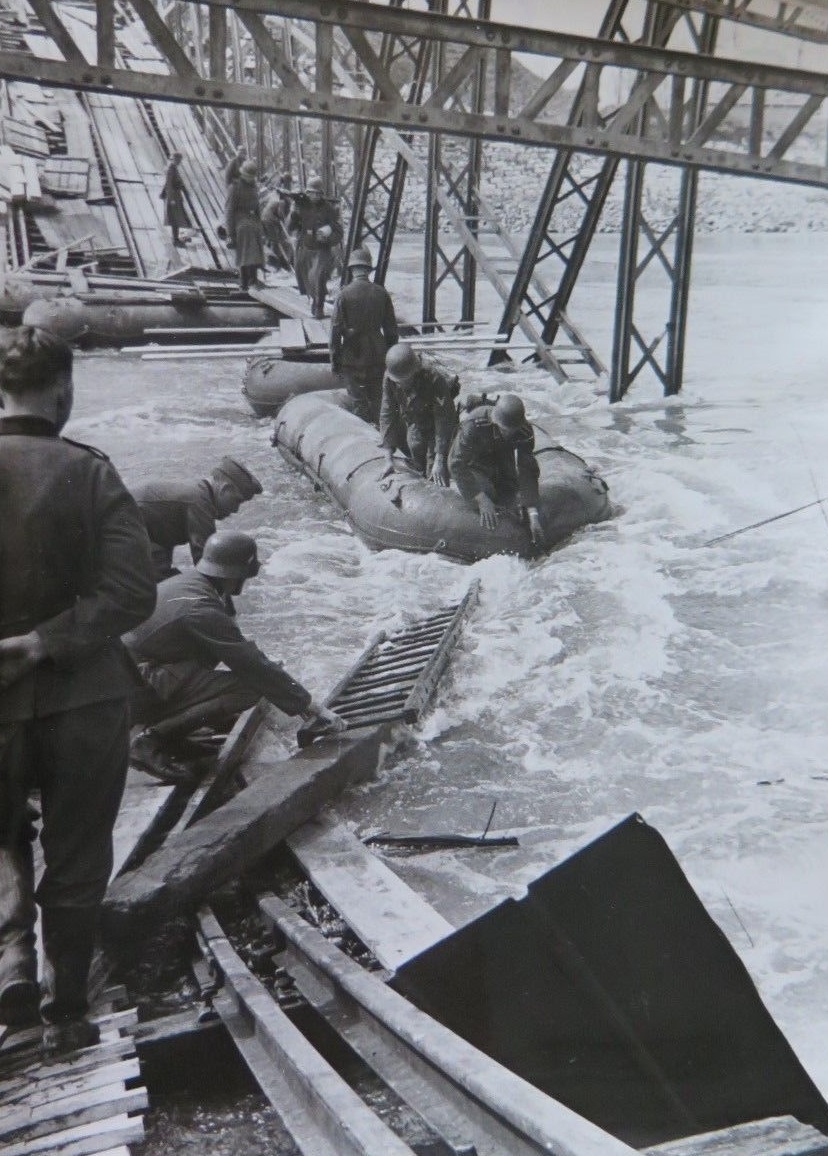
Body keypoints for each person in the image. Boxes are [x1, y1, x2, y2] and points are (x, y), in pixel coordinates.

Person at [0, 326, 157, 1055]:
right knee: (79, 850)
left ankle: (11, 966)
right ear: (63, 391)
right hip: (83, 699)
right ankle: (66, 1008)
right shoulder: (91, 473)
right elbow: (132, 593)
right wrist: (45, 641)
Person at [125, 531, 344, 783]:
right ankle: (151, 740)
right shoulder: (201, 608)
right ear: (236, 574)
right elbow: (249, 664)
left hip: (130, 679)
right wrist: (309, 705)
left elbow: (235, 650)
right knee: (249, 687)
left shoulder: (189, 583)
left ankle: (173, 738)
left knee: (217, 659)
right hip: (136, 689)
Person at [132, 456, 263, 582]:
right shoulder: (200, 504)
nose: (236, 510)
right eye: (237, 501)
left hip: (142, 530)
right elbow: (209, 563)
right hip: (130, 527)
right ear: (225, 489)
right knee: (164, 585)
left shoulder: (200, 494)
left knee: (169, 581)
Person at [448, 393, 545, 546]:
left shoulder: (524, 431)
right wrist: (480, 498)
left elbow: (528, 470)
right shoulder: (475, 424)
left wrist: (533, 513)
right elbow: (456, 463)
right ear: (495, 422)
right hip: (475, 462)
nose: (508, 433)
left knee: (512, 496)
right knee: (488, 493)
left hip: (502, 460)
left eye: (512, 430)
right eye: (504, 429)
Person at [329, 245, 399, 425]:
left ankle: (361, 433)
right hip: (378, 355)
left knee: (357, 401)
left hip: (352, 355)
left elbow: (335, 331)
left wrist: (335, 361)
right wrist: (390, 356)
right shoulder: (381, 293)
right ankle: (380, 433)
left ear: (352, 270)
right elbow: (391, 330)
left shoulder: (343, 295)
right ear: (368, 270)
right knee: (378, 400)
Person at [379, 342, 459, 486]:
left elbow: (444, 419)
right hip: (415, 421)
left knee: (435, 472)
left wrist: (439, 459)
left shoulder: (433, 377)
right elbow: (387, 413)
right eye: (399, 381)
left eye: (405, 380)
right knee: (416, 456)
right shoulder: (391, 377)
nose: (401, 385)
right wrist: (388, 459)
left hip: (437, 425)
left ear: (414, 371)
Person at [287, 175, 344, 319]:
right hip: (305, 247)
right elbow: (290, 228)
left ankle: (319, 306)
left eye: (318, 193)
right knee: (305, 278)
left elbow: (338, 231)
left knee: (318, 277)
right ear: (307, 192)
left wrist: (328, 238)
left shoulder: (329, 208)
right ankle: (313, 300)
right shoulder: (301, 205)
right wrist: (293, 213)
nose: (315, 196)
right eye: (312, 193)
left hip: (322, 249)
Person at [226, 159, 265, 291]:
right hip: (240, 222)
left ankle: (253, 280)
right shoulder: (234, 188)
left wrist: (260, 224)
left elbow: (257, 207)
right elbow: (229, 211)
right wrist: (230, 233)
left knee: (255, 251)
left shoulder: (253, 187)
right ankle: (244, 282)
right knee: (244, 252)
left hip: (252, 222)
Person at [261, 172, 295, 272]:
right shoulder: (282, 201)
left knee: (272, 239)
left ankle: (274, 259)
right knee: (275, 241)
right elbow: (280, 214)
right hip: (270, 220)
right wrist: (283, 221)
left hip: (266, 218)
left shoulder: (275, 195)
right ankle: (277, 262)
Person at [160, 151, 188, 247]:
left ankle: (176, 239)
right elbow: (168, 185)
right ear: (174, 159)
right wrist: (171, 199)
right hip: (173, 197)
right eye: (178, 160)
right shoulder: (170, 169)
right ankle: (175, 240)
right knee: (174, 219)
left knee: (176, 219)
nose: (179, 162)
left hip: (175, 196)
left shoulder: (173, 168)